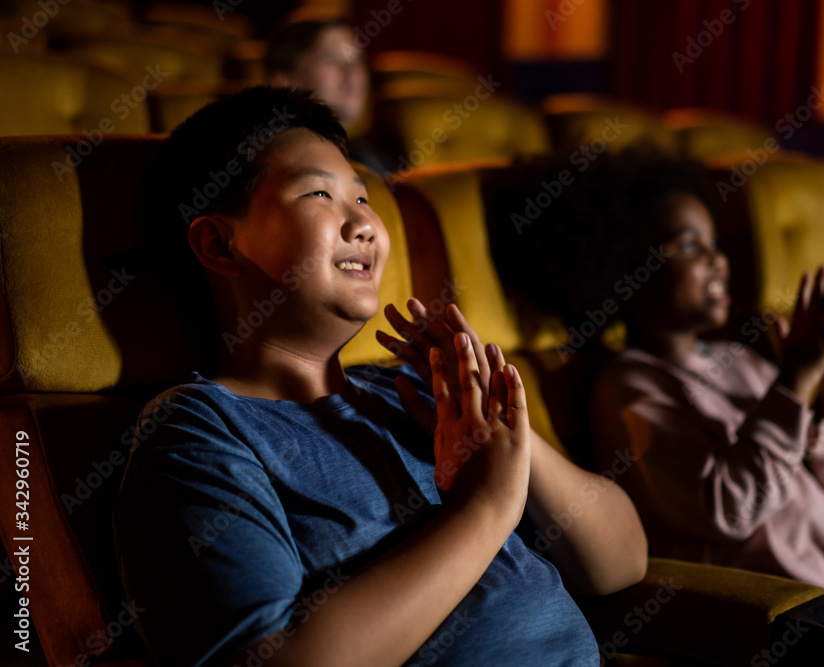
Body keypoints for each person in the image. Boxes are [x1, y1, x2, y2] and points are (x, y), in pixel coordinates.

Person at [113, 86, 647, 667]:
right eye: (320, 193)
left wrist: (503, 436)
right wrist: (487, 507)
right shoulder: (198, 429)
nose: (364, 224)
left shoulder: (409, 393)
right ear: (219, 243)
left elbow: (619, 563)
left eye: (364, 199)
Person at [488, 149, 824, 663]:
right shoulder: (631, 387)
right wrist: (797, 379)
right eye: (689, 244)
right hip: (803, 609)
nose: (718, 259)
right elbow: (729, 508)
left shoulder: (739, 359)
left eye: (714, 243)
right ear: (627, 268)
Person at [265, 15, 393, 176]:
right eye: (330, 59)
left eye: (357, 59)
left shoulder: (378, 161)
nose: (351, 72)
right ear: (284, 81)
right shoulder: (271, 166)